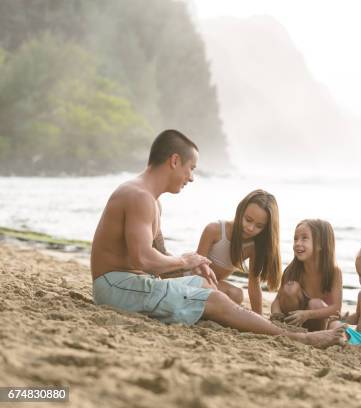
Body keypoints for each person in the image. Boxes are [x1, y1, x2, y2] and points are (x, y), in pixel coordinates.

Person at [90, 129, 344, 348]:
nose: (191, 177)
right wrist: (184, 260)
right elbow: (143, 258)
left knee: (205, 287)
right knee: (212, 298)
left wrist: (190, 264)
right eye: (191, 168)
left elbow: (158, 254)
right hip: (117, 287)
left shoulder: (151, 201)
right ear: (175, 161)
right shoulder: (139, 197)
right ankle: (297, 339)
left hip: (131, 284)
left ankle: (254, 323)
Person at [196, 190, 281, 314]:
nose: (251, 228)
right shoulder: (214, 230)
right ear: (240, 211)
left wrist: (258, 317)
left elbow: (253, 283)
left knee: (237, 295)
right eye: (248, 219)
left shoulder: (253, 247)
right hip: (195, 278)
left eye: (259, 226)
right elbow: (197, 268)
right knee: (232, 295)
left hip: (214, 286)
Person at [270, 219, 342, 331]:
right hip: (293, 322)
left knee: (315, 303)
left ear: (320, 244)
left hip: (318, 324)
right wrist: (276, 314)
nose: (298, 243)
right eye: (295, 239)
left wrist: (307, 314)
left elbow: (336, 309)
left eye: (304, 238)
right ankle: (291, 329)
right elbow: (277, 301)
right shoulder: (291, 270)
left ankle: (313, 334)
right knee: (290, 288)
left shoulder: (333, 271)